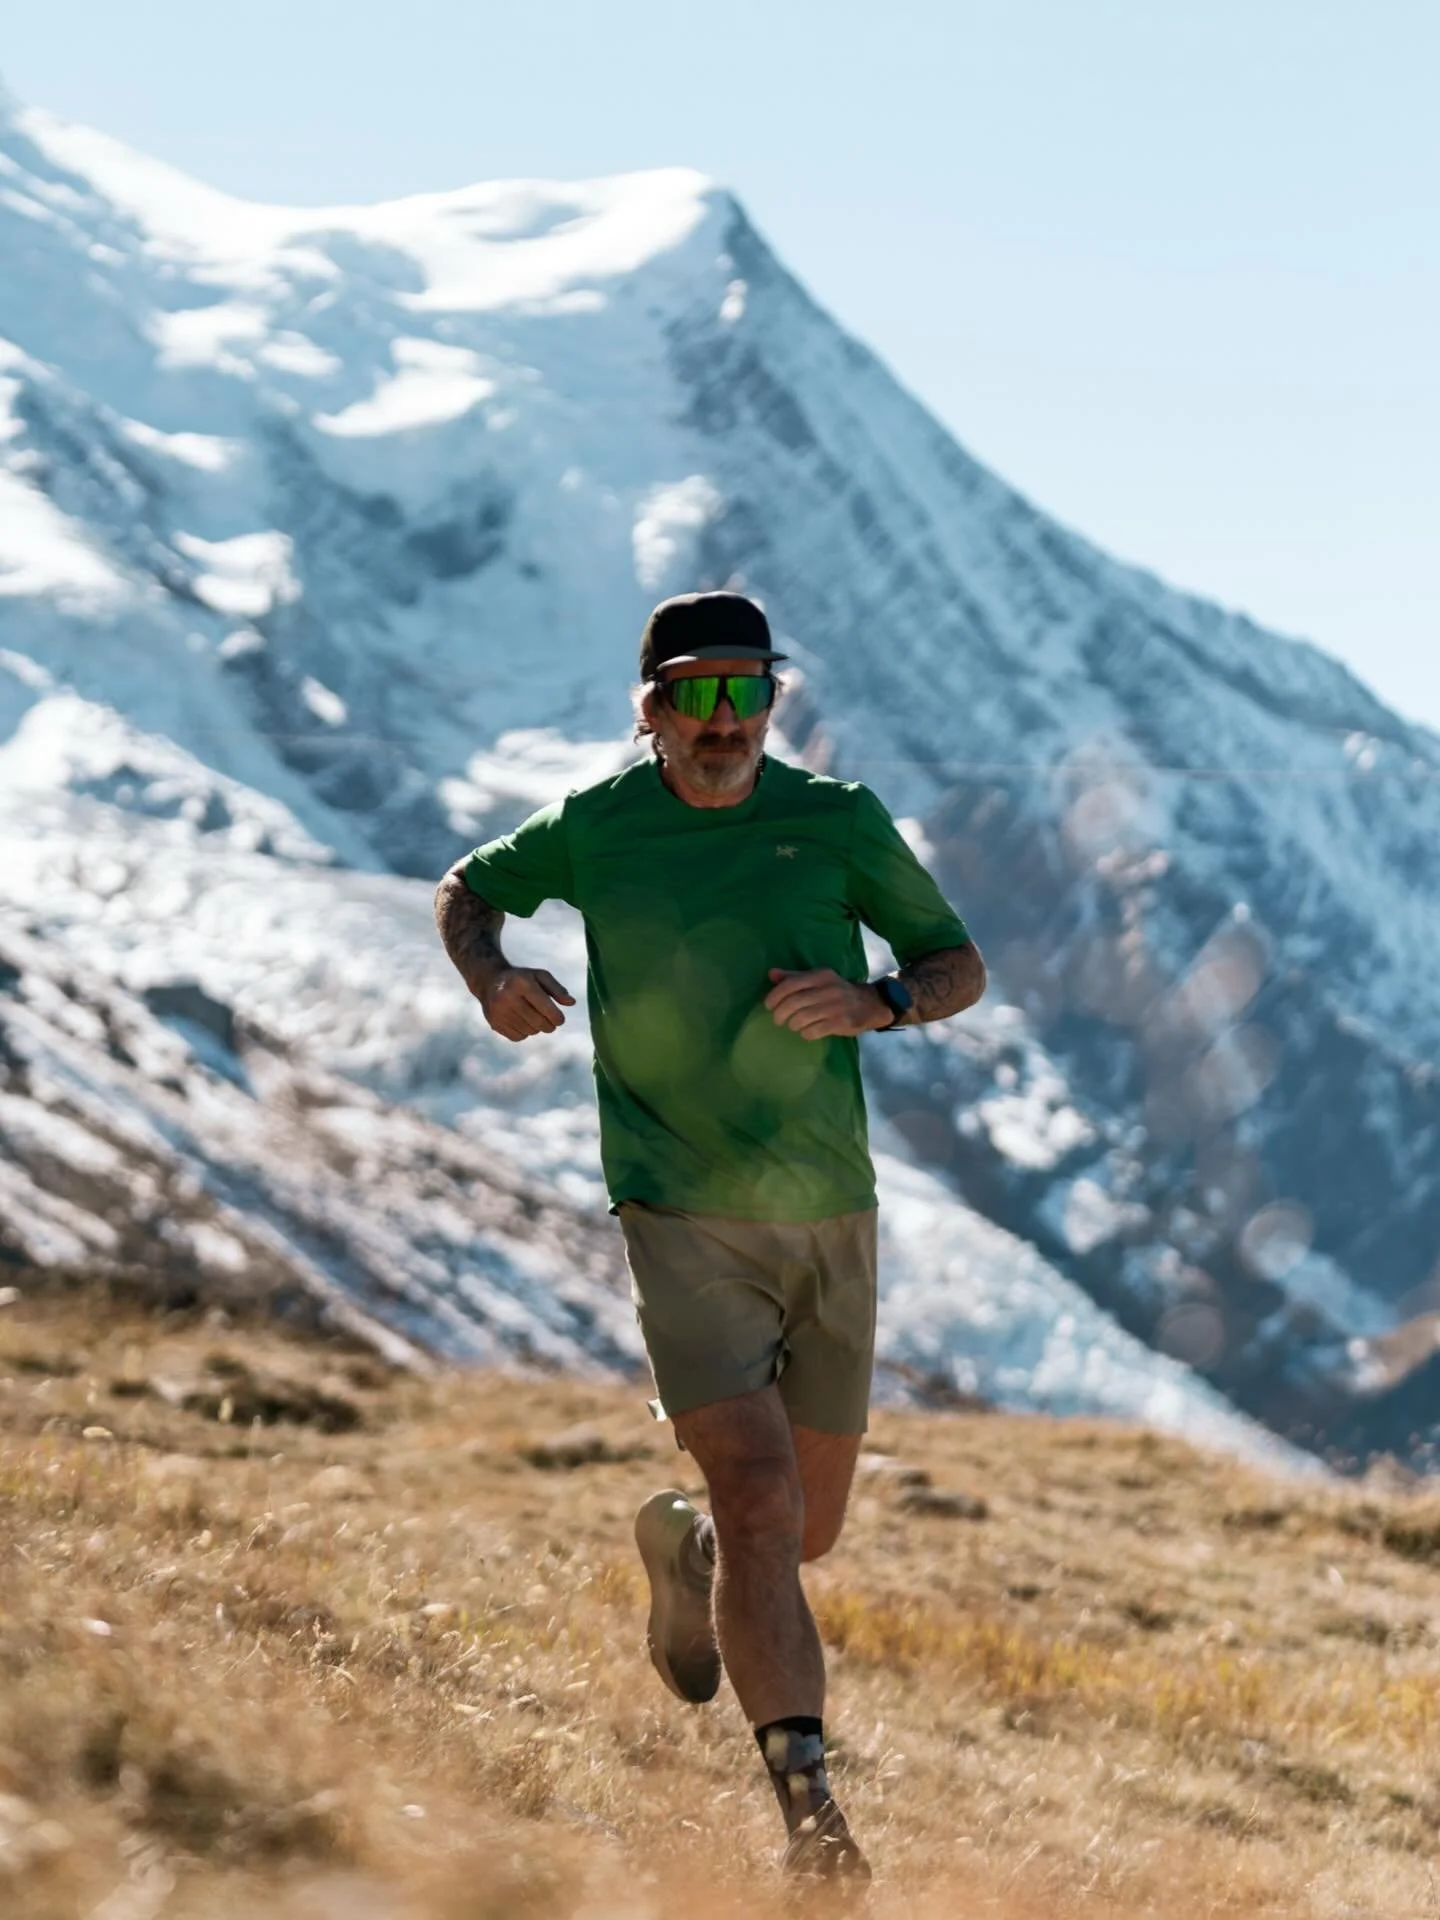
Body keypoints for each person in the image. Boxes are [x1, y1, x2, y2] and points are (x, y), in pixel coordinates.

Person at [434, 591, 985, 1884]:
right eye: (700, 692)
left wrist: (882, 1000)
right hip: (677, 1206)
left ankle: (685, 1555)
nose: (727, 719)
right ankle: (812, 1824)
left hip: (827, 1210)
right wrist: (492, 978)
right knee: (760, 1493)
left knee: (804, 1531)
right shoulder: (596, 827)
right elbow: (468, 890)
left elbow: (957, 960)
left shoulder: (835, 823)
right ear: (653, 711)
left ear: (773, 705)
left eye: (750, 691)